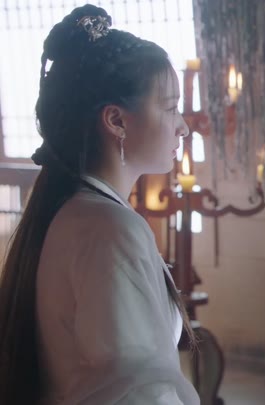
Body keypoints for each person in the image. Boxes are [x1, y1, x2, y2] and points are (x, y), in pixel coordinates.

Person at [0, 5, 200, 404]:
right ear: (116, 120)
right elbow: (141, 392)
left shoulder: (77, 212)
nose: (183, 126)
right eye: (170, 107)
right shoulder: (108, 228)